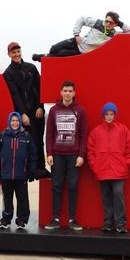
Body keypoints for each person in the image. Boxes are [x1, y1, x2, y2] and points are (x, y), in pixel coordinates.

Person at [87, 102, 130, 233]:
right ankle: (108, 223)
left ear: (115, 115)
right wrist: (95, 166)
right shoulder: (96, 131)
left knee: (118, 194)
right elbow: (90, 152)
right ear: (103, 115)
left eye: (112, 114)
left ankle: (121, 224)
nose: (109, 116)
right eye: (107, 114)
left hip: (119, 172)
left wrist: (123, 164)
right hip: (102, 170)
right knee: (106, 197)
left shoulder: (123, 130)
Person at [44, 80, 88, 230]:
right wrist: (49, 153)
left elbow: (83, 135)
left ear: (74, 93)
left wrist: (81, 155)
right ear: (61, 92)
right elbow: (49, 134)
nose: (68, 93)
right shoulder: (54, 111)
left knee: (73, 186)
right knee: (56, 186)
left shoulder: (80, 111)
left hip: (74, 156)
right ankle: (55, 219)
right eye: (65, 91)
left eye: (70, 91)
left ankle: (72, 220)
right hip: (56, 155)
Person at [2, 42, 49, 179]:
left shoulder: (31, 68)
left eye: (18, 51)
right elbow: (15, 94)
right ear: (9, 55)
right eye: (13, 52)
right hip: (24, 115)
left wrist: (41, 106)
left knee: (40, 141)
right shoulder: (8, 73)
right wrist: (22, 114)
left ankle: (41, 169)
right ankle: (30, 171)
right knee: (29, 142)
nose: (16, 54)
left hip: (37, 111)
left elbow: (41, 88)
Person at [0, 112, 37, 230]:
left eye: (17, 121)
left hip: (21, 174)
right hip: (5, 174)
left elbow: (33, 154)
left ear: (20, 122)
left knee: (22, 199)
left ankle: (21, 220)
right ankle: (6, 219)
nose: (15, 123)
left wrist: (31, 170)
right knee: (7, 198)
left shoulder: (26, 136)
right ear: (9, 122)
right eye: (12, 121)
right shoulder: (2, 136)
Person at [32, 11, 130, 62]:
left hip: (81, 52)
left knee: (59, 55)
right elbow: (81, 19)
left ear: (115, 24)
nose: (107, 24)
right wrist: (77, 34)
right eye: (106, 21)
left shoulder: (114, 35)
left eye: (111, 23)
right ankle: (45, 54)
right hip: (76, 42)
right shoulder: (98, 23)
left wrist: (120, 23)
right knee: (54, 48)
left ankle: (40, 57)